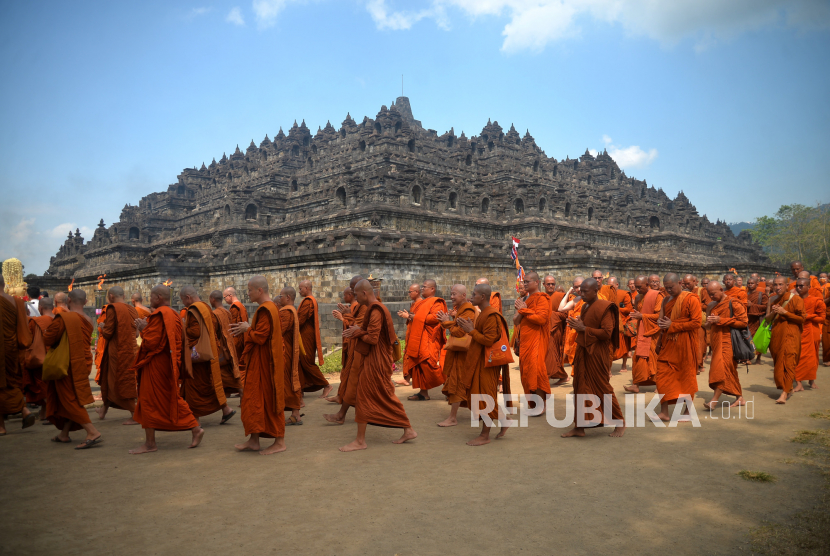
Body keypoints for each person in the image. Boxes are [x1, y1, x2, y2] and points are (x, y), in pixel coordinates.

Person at [338, 280, 417, 452]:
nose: (356, 299)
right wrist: (356, 328)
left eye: (357, 295)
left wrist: (357, 332)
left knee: (368, 395)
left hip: (377, 361)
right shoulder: (373, 309)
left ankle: (360, 441)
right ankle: (408, 429)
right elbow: (368, 332)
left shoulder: (376, 310)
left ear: (364, 293)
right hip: (374, 359)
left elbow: (372, 339)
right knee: (379, 395)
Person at [130, 285, 204, 454]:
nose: (149, 299)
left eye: (151, 296)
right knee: (170, 397)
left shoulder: (159, 315)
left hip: (157, 364)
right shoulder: (175, 314)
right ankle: (195, 428)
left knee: (148, 400)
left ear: (158, 297)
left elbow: (151, 343)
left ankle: (150, 444)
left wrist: (143, 329)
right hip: (169, 364)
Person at [561, 278, 625, 438]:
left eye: (584, 291)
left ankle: (619, 422)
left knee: (603, 387)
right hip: (583, 351)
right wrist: (579, 325)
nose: (580, 294)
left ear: (595, 290)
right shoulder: (584, 306)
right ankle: (580, 427)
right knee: (580, 388)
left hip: (597, 354)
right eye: (580, 291)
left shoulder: (606, 308)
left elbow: (607, 333)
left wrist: (584, 328)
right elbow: (585, 327)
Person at [231, 276, 287, 455]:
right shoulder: (269, 308)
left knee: (270, 400)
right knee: (254, 400)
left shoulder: (267, 309)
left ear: (259, 290)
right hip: (259, 363)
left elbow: (260, 337)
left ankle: (279, 441)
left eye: (249, 290)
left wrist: (247, 329)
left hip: (266, 364)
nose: (247, 293)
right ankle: (254, 440)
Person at [42, 289, 102, 449]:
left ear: (68, 301)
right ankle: (64, 434)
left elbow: (48, 338)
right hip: (84, 363)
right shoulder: (88, 319)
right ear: (86, 302)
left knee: (69, 399)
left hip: (67, 365)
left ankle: (92, 431)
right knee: (70, 397)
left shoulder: (64, 318)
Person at [457, 283, 512, 445]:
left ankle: (485, 435)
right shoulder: (482, 313)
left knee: (485, 398)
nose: (470, 297)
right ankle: (504, 420)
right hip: (479, 362)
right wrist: (470, 328)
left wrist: (471, 330)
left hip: (488, 364)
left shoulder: (491, 315)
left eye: (473, 295)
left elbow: (489, 340)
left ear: (482, 297)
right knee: (482, 397)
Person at [179, 286, 235, 425]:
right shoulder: (206, 307)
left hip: (198, 356)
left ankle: (194, 419)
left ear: (188, 297)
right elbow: (214, 327)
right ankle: (226, 409)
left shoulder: (193, 310)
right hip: (210, 351)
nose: (183, 304)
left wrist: (183, 328)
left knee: (196, 387)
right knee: (209, 383)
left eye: (183, 300)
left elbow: (195, 332)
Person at [652, 273, 701, 421]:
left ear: (679, 283)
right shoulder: (666, 300)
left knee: (686, 376)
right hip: (668, 343)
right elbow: (661, 321)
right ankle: (664, 412)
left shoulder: (691, 299)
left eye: (671, 287)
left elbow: (696, 323)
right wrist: (660, 335)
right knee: (662, 376)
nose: (669, 290)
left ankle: (688, 411)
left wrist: (673, 325)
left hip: (685, 343)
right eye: (666, 288)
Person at [96, 286, 139, 425]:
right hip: (131, 350)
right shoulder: (132, 309)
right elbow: (136, 332)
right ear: (124, 296)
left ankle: (135, 413)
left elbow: (108, 333)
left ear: (111, 297)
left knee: (120, 382)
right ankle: (104, 410)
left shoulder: (112, 308)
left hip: (118, 352)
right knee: (110, 380)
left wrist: (102, 327)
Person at [398, 279, 447, 401]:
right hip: (419, 338)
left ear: (432, 289)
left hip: (429, 340)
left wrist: (414, 316)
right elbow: (417, 318)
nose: (422, 289)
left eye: (425, 287)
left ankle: (449, 386)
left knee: (429, 365)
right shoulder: (421, 303)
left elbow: (435, 318)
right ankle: (423, 393)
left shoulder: (437, 302)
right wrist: (411, 316)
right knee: (420, 365)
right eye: (422, 287)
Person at [0, 275, 36, 435]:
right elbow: (23, 329)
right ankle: (23, 410)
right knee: (12, 382)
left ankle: (1, 426)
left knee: (1, 384)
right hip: (12, 349)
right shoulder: (18, 302)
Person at [436, 284, 476, 427]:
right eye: (451, 294)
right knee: (465, 384)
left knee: (458, 383)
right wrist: (446, 321)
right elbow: (456, 327)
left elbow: (459, 332)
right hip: (459, 353)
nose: (451, 297)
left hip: (463, 354)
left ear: (463, 295)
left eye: (454, 294)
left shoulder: (468, 310)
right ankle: (481, 413)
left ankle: (453, 418)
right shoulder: (460, 310)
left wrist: (446, 321)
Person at [704, 281, 747, 409]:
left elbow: (744, 322)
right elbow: (707, 326)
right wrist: (709, 321)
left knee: (722, 369)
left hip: (729, 341)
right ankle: (740, 398)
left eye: (714, 294)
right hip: (716, 341)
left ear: (721, 290)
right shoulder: (711, 305)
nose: (712, 297)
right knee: (729, 370)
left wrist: (721, 320)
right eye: (710, 295)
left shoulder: (733, 303)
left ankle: (714, 401)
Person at [765, 276, 804, 404]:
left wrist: (785, 313)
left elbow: (802, 319)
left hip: (791, 336)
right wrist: (774, 312)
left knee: (788, 363)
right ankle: (787, 388)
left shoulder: (796, 299)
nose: (778, 287)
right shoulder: (772, 299)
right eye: (775, 285)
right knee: (778, 365)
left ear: (787, 286)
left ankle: (784, 393)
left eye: (781, 284)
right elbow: (767, 320)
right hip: (777, 336)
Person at [515, 272, 551, 409]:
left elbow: (541, 319)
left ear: (537, 282)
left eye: (527, 281)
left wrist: (524, 311)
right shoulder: (526, 300)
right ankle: (534, 404)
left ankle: (541, 406)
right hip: (526, 341)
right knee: (527, 372)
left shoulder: (542, 298)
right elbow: (515, 320)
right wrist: (521, 310)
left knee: (537, 371)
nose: (524, 284)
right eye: (524, 282)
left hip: (537, 340)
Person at [623, 275, 662, 394]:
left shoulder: (657, 295)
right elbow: (638, 312)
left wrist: (642, 316)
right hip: (642, 331)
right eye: (636, 287)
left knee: (654, 358)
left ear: (647, 285)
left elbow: (659, 316)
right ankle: (636, 384)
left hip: (653, 332)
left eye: (640, 287)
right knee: (638, 357)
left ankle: (659, 385)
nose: (637, 289)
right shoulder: (638, 297)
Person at [297, 280, 332, 398]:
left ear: (307, 288)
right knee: (301, 361)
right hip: (304, 335)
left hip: (306, 335)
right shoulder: (308, 300)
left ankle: (326, 385)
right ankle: (301, 388)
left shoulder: (308, 301)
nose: (299, 291)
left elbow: (300, 320)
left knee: (307, 362)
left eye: (301, 288)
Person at [276, 287, 304, 426]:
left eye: (280, 296)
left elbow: (278, 331)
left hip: (285, 353)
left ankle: (295, 414)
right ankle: (295, 414)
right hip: (286, 351)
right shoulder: (290, 310)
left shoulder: (287, 312)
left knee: (287, 382)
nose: (279, 298)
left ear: (288, 297)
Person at [23, 296, 54, 420]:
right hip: (57, 358)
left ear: (40, 308)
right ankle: (44, 413)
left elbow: (27, 341)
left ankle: (53, 410)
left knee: (41, 386)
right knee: (51, 386)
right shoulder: (60, 319)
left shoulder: (34, 322)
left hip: (40, 359)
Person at [208, 290, 242, 400]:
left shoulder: (215, 314)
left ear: (213, 299)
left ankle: (225, 402)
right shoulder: (227, 312)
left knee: (219, 375)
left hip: (221, 349)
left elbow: (214, 333)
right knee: (232, 374)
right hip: (230, 347)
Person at [793, 277, 825, 391]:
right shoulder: (794, 300)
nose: (798, 288)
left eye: (801, 286)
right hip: (797, 331)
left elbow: (822, 318)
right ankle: (799, 383)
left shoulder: (816, 301)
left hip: (812, 331)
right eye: (797, 286)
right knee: (797, 356)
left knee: (812, 357)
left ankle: (811, 381)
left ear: (809, 287)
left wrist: (808, 316)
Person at [394, 283, 421, 386]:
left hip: (416, 334)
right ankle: (406, 378)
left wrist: (408, 316)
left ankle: (415, 379)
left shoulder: (422, 303)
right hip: (410, 332)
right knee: (407, 355)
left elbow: (421, 319)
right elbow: (414, 317)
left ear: (416, 292)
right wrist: (408, 316)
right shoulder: (413, 303)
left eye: (410, 292)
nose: (409, 294)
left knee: (413, 356)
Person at [544, 275, 568, 385]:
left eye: (552, 284)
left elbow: (566, 313)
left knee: (552, 354)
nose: (550, 286)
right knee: (547, 355)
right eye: (548, 284)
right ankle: (561, 375)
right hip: (543, 330)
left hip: (556, 330)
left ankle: (546, 377)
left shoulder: (560, 296)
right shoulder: (541, 297)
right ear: (543, 285)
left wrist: (552, 315)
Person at [683, 274, 708, 372]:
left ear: (695, 281)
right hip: (687, 321)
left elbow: (708, 305)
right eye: (684, 284)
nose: (686, 286)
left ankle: (698, 365)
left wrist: (693, 304)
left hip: (698, 321)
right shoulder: (684, 292)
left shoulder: (702, 291)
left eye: (688, 283)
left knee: (698, 343)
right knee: (689, 344)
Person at [609, 276, 631, 371]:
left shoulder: (624, 294)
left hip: (622, 322)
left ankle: (624, 365)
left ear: (617, 285)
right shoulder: (606, 293)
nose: (609, 288)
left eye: (611, 286)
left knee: (624, 345)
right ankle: (608, 368)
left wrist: (617, 308)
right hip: (610, 321)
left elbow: (629, 309)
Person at [745, 277, 769, 365]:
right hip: (747, 319)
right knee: (747, 339)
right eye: (748, 283)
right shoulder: (745, 294)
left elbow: (766, 306)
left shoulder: (761, 295)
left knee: (757, 339)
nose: (750, 285)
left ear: (757, 284)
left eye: (752, 283)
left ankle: (758, 358)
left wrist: (752, 305)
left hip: (757, 320)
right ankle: (748, 357)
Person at [224, 287, 248, 363]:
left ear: (230, 295)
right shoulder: (241, 305)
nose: (224, 300)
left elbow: (233, 327)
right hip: (244, 337)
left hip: (237, 340)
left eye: (225, 297)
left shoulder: (235, 307)